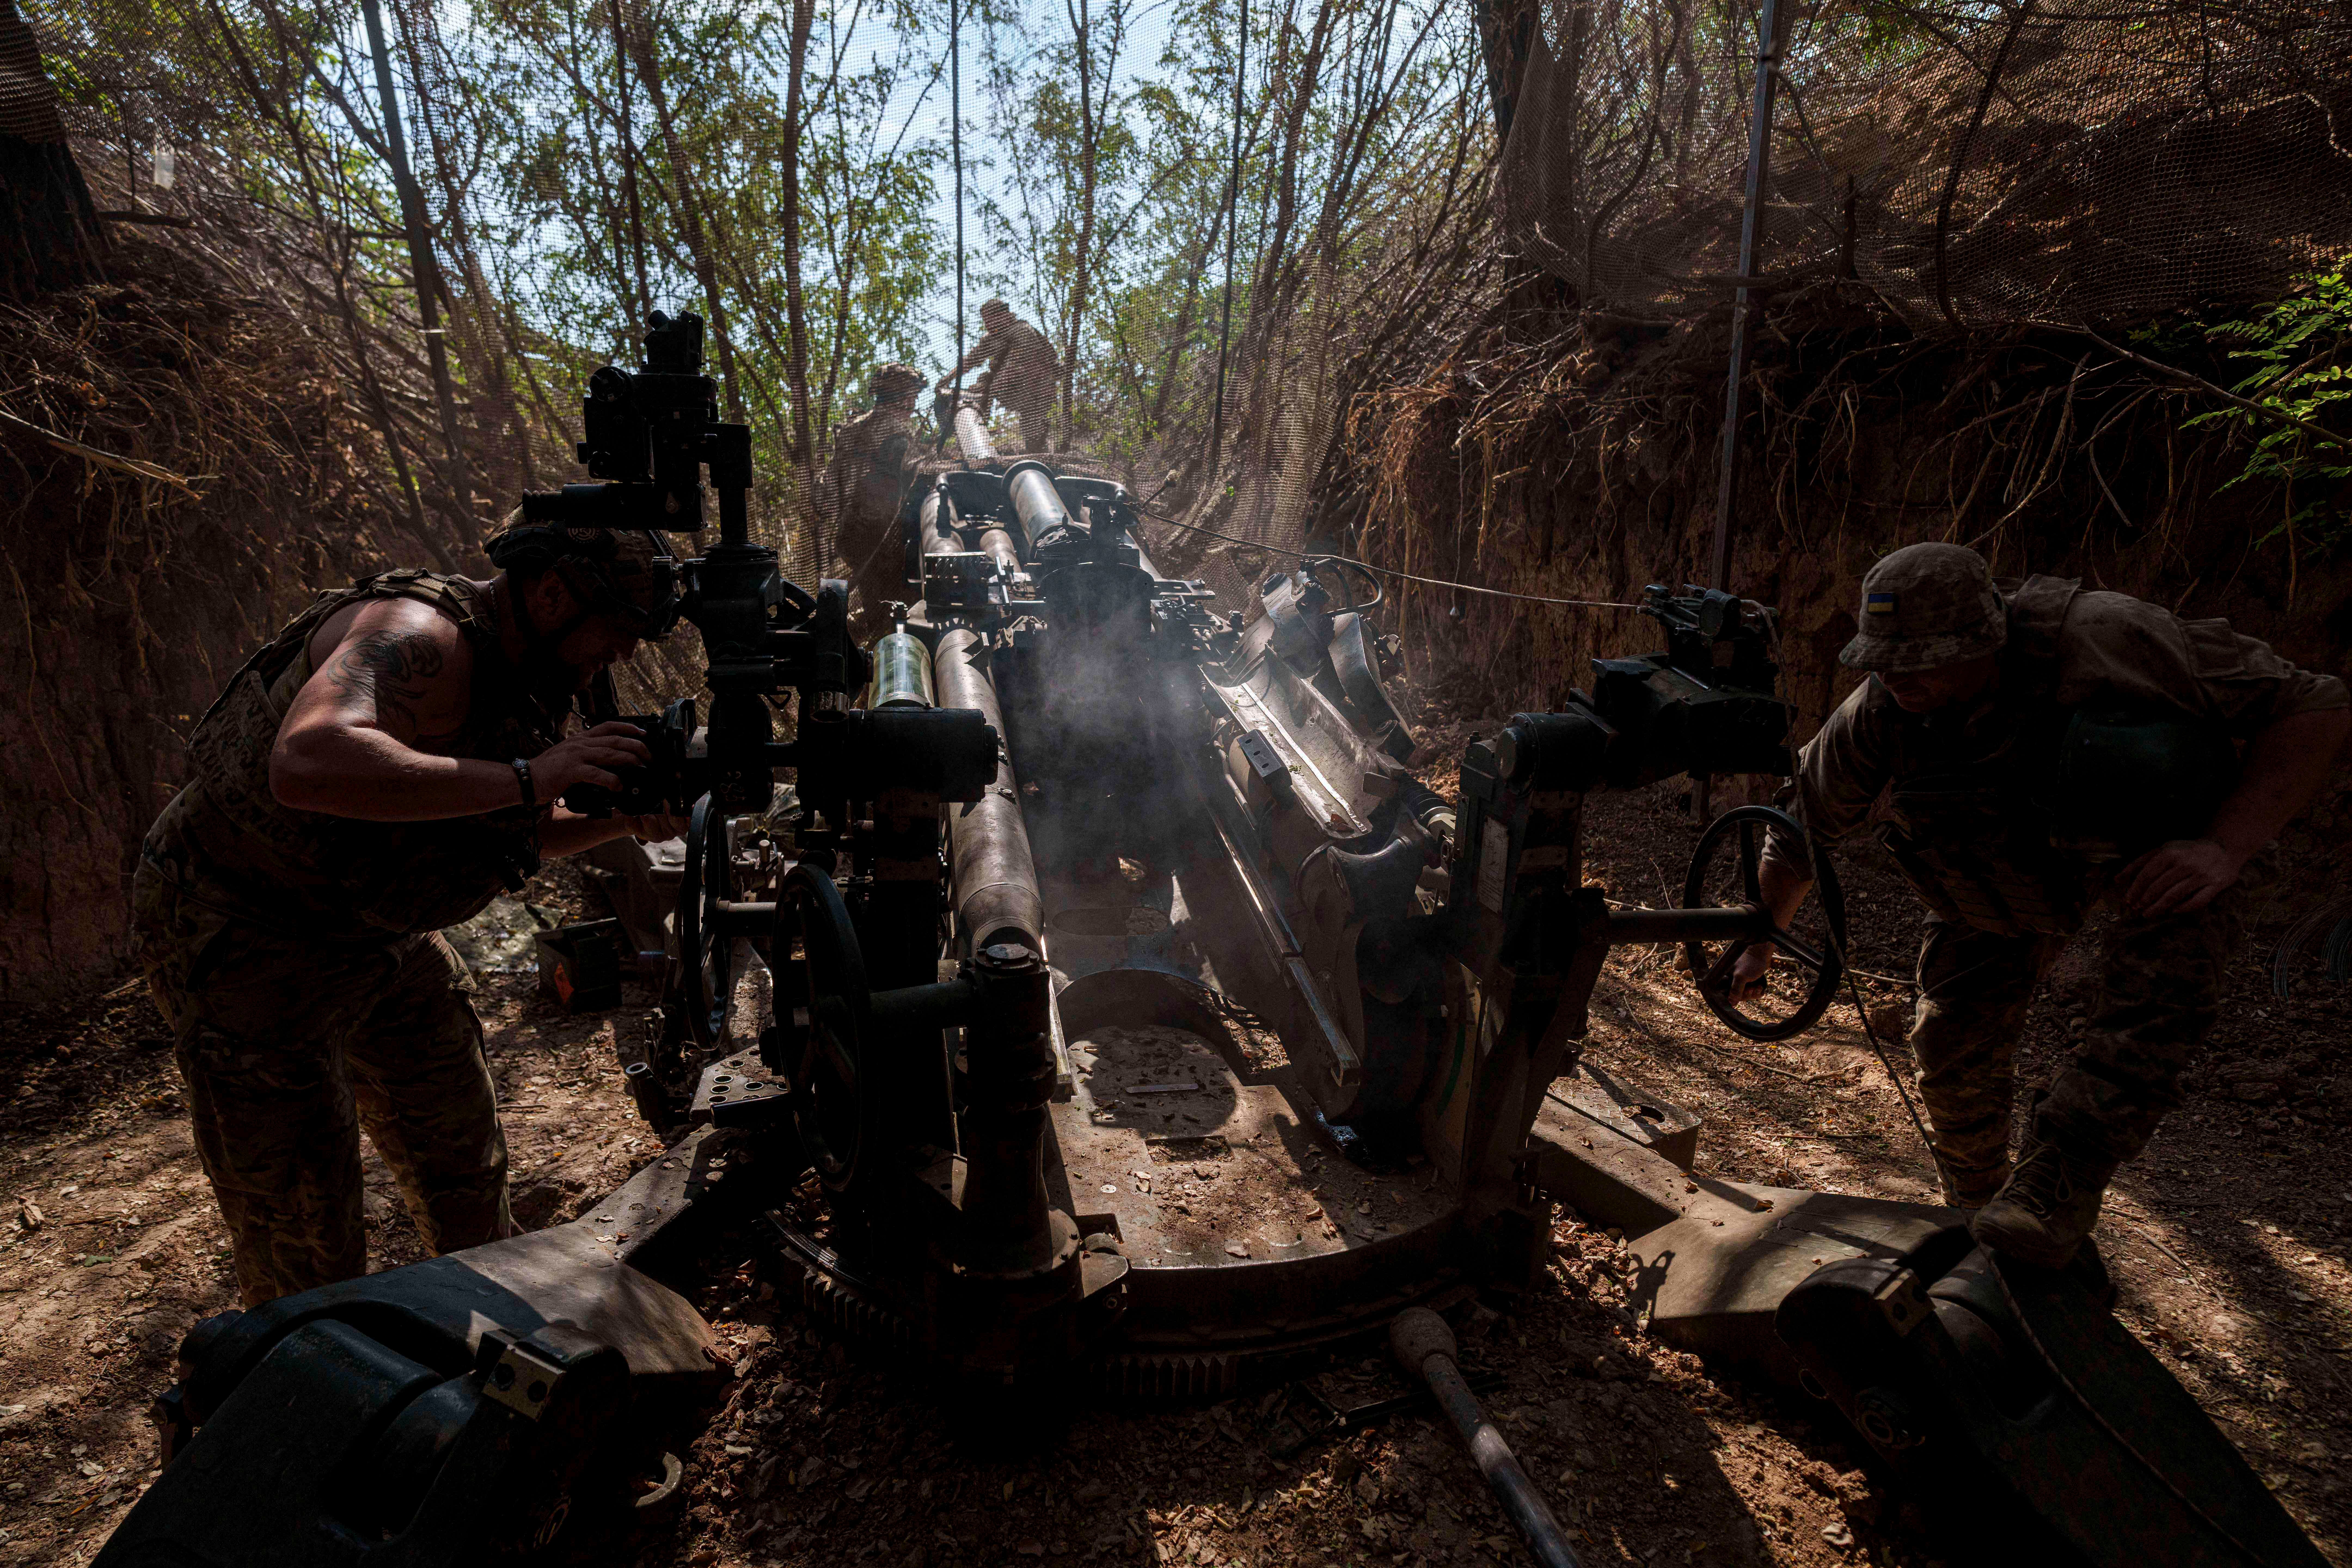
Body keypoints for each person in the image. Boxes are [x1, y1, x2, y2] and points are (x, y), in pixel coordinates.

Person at [1734, 543, 2347, 1268]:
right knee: (1949, 1042)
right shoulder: (1879, 713)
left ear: (1986, 640)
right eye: (1883, 661)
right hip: (2004, 871)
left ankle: (2062, 1179)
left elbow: (2316, 703)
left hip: (2156, 851)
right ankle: (1983, 1207)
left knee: (2158, 993)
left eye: (1922, 661)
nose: (1897, 678)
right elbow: (1799, 832)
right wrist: (1762, 940)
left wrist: (2225, 846)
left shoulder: (2107, 639)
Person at [133, 523, 690, 1306]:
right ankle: (309, 1359)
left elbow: (511, 823)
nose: (623, 653)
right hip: (246, 929)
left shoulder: (532, 670)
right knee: (305, 1232)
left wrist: (623, 819)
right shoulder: (417, 634)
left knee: (463, 1159)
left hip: (378, 930)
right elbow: (308, 757)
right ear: (552, 594)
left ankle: (481, 1322)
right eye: (616, 629)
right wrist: (532, 777)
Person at [824, 362, 924, 634]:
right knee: (895, 613)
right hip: (882, 539)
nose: (914, 404)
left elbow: (828, 484)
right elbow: (916, 476)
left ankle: (868, 630)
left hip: (849, 534)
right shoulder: (897, 431)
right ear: (902, 397)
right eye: (912, 396)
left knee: (875, 602)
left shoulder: (852, 428)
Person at [942, 299, 1060, 454]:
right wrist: (946, 380)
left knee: (1033, 432)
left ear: (1004, 315)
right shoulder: (992, 339)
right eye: (986, 320)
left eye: (991, 319)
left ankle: (1040, 457)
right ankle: (974, 433)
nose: (988, 324)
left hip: (1037, 388)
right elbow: (970, 361)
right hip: (1014, 387)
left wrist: (994, 387)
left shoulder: (1021, 330)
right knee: (980, 386)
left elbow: (1018, 364)